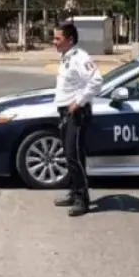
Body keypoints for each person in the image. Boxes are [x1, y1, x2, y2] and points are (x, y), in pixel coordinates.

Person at [52, 22, 103, 217]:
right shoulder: (66, 57)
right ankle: (74, 192)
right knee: (70, 155)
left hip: (76, 113)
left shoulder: (80, 58)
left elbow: (97, 81)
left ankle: (82, 199)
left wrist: (78, 102)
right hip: (66, 112)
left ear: (70, 40)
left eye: (58, 38)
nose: (54, 42)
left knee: (74, 156)